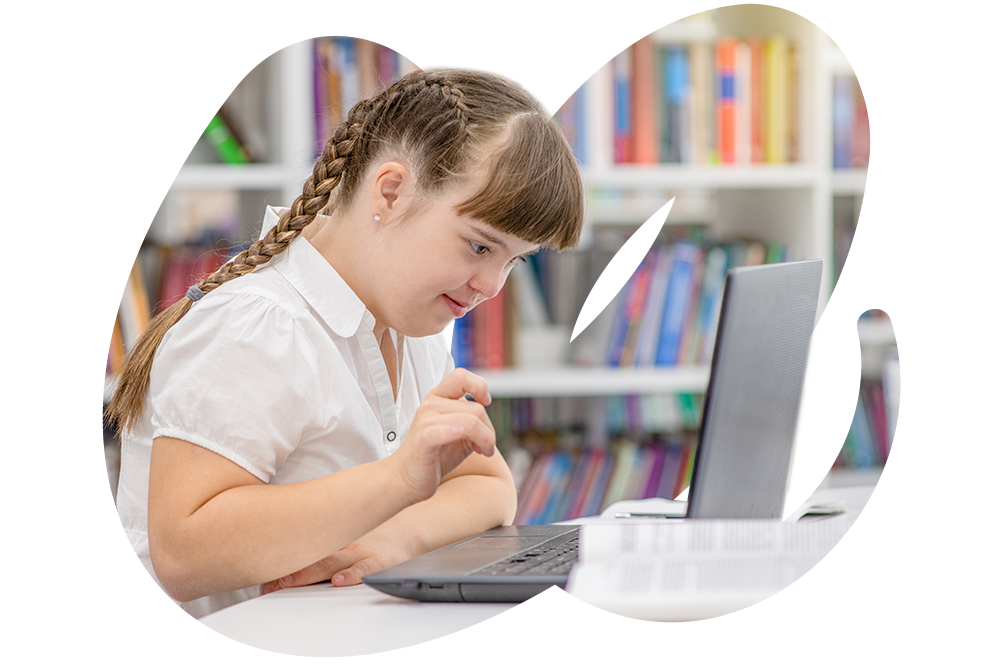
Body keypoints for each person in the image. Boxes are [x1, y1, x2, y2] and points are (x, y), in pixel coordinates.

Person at [101, 66, 584, 656]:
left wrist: (390, 539)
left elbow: (489, 487)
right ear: (391, 191)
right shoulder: (257, 326)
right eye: (480, 246)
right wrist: (397, 481)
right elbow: (183, 549)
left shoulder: (409, 319)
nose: (491, 286)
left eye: (515, 261)